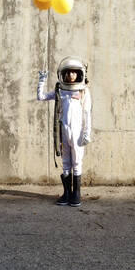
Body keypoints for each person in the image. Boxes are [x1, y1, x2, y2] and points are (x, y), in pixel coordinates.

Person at [37, 56, 91, 207]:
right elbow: (41, 97)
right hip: (63, 130)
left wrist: (87, 132)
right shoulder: (60, 90)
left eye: (74, 72)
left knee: (77, 161)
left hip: (78, 132)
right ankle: (67, 193)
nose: (70, 75)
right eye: (67, 72)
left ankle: (77, 194)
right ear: (63, 74)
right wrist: (41, 80)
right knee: (66, 162)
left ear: (79, 74)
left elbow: (87, 114)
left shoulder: (83, 91)